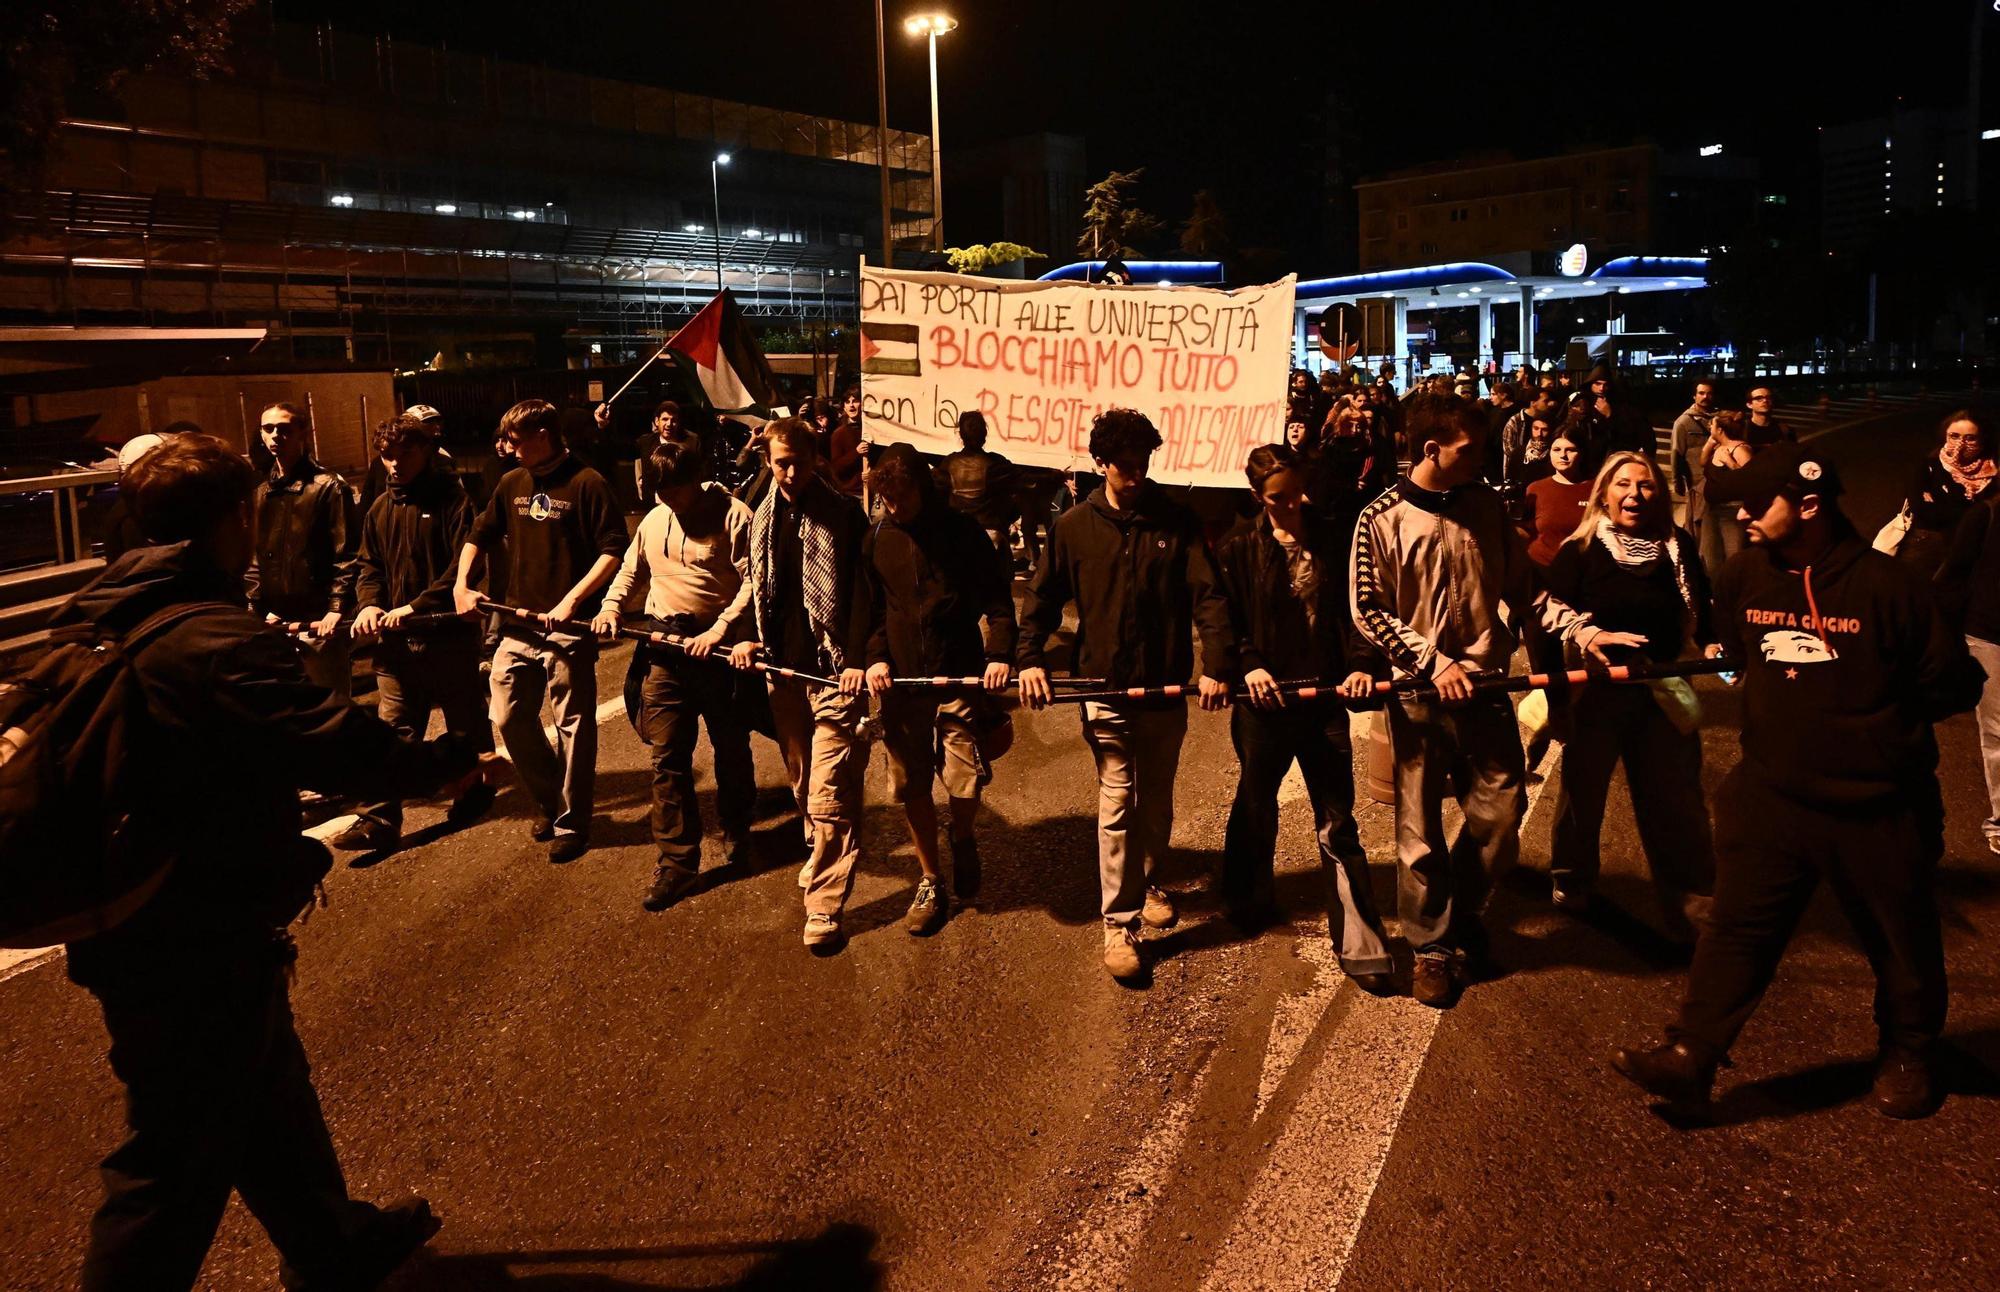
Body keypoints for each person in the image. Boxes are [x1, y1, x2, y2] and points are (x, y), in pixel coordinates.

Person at [55, 434, 494, 1292]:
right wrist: (446, 763)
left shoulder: (100, 611)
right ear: (231, 522)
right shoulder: (209, 639)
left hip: (134, 910)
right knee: (169, 1161)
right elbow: (330, 743)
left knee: (266, 1087)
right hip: (189, 931)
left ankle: (334, 1242)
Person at [1614, 441, 1983, 1120]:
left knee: (1900, 935)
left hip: (1877, 804)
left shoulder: (1888, 586)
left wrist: (1871, 719)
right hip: (1772, 796)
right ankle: (1692, 1053)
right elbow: (1733, 645)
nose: (1745, 518)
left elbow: (1956, 682)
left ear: (1810, 504)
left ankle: (1909, 1048)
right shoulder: (1745, 576)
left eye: (1758, 505)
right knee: (1737, 929)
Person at [1017, 408, 1233, 981]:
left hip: (1164, 689)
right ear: (1100, 464)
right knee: (1118, 802)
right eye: (1125, 467)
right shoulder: (1073, 529)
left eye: (1143, 465)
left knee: (1156, 803)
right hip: (1103, 687)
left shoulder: (1176, 521)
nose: (1136, 475)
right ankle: (1119, 925)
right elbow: (1039, 600)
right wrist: (1028, 658)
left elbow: (1208, 596)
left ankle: (1150, 877)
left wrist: (1216, 663)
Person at [1350, 394, 1535, 1008]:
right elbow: (1367, 611)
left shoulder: (1487, 507)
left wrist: (1586, 632)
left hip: (1486, 692)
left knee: (1502, 814)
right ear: (1432, 449)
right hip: (1418, 698)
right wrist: (1433, 661)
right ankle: (1431, 946)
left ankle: (1454, 911)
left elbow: (1524, 590)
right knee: (1419, 828)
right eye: (1469, 448)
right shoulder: (1377, 519)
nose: (1480, 458)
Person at [1215, 445, 1392, 992]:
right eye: (1278, 498)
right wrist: (1248, 666)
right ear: (1257, 498)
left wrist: (1362, 663)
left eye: (1296, 493)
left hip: (1324, 700)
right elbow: (1225, 618)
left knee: (1337, 815)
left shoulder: (1335, 535)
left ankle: (1359, 934)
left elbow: (1360, 609)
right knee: (1255, 800)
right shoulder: (1237, 546)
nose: (1292, 505)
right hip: (1264, 705)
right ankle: (1247, 897)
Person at [1534, 451, 1716, 939]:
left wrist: (1716, 641)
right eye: (1623, 485)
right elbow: (1547, 611)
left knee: (1677, 798)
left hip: (1662, 688)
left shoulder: (1677, 545)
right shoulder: (1584, 547)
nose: (1634, 494)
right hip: (1597, 692)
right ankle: (1571, 878)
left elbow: (1702, 601)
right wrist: (1583, 650)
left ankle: (1691, 899)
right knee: (1583, 793)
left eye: (1646, 485)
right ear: (1604, 494)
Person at [453, 399, 628, 863]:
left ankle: (572, 822)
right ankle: (552, 799)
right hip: (518, 624)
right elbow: (479, 533)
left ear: (543, 436)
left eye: (516, 439)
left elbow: (613, 549)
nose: (508, 449)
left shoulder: (587, 483)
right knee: (509, 717)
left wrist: (572, 601)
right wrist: (460, 585)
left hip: (569, 628)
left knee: (573, 726)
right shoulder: (512, 483)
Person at [594, 432, 757, 910]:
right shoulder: (655, 519)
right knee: (668, 759)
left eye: (674, 490)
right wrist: (611, 607)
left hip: (719, 651)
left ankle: (737, 828)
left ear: (696, 480)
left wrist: (723, 629)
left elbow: (754, 582)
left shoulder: (734, 516)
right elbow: (632, 570)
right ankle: (677, 863)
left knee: (730, 746)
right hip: (665, 650)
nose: (667, 499)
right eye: (659, 492)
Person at [862, 443, 1018, 933]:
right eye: (886, 502)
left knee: (964, 779)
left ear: (922, 489)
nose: (894, 509)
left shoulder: (963, 532)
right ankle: (930, 878)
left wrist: (999, 656)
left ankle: (964, 834)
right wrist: (874, 659)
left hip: (959, 673)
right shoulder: (878, 538)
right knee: (911, 783)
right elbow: (872, 610)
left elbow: (998, 600)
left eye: (902, 500)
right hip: (903, 685)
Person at [729, 418, 872, 949]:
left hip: (834, 669)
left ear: (815, 460)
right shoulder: (762, 514)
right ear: (768, 460)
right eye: (779, 462)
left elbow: (863, 596)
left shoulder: (842, 515)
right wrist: (746, 638)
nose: (788, 472)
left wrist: (856, 659)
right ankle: (818, 847)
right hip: (782, 670)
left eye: (797, 462)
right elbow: (757, 586)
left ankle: (825, 905)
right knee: (803, 779)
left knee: (830, 792)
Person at [334, 415, 496, 852]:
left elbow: (463, 570)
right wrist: (369, 603)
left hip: (447, 638)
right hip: (395, 645)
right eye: (386, 455)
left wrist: (416, 606)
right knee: (392, 731)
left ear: (425, 450)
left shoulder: (454, 501)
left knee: (464, 724)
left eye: (404, 453)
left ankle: (474, 791)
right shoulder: (379, 508)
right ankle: (379, 819)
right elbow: (370, 565)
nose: (394, 464)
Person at [245, 401, 358, 700]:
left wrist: (336, 607)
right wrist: (253, 606)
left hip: (318, 621)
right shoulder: (260, 492)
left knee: (330, 707)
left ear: (303, 433)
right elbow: (255, 558)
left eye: (284, 429)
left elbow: (346, 553)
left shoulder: (329, 487)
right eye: (268, 429)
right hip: (275, 622)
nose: (275, 436)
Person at [1936, 473, 2000, 858]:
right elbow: (1953, 576)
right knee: (1997, 729)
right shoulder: (1986, 514)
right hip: (1989, 634)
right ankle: (1999, 819)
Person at [1875, 409, 1998, 577]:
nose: (1960, 443)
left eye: (1970, 438)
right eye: (1954, 436)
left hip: (1974, 553)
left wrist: (1944, 507)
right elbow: (1922, 510)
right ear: (1945, 436)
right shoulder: (1927, 466)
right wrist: (1971, 514)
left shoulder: (1993, 471)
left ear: (1983, 440)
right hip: (1926, 550)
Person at [932, 410, 1021, 558]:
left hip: (957, 537)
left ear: (960, 434)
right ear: (984, 434)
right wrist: (1055, 476)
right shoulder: (997, 465)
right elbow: (1023, 481)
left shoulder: (947, 465)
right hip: (991, 537)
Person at [1519, 429, 1592, 567]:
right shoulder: (1535, 488)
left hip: (1581, 570)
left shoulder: (1595, 489)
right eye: (1557, 449)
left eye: (1570, 450)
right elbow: (1525, 531)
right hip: (1540, 568)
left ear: (1582, 453)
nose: (1563, 455)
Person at [1669, 377, 1719, 533]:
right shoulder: (1683, 422)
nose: (1705, 397)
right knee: (1697, 522)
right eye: (1701, 393)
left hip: (1717, 479)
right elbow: (1676, 452)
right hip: (1696, 481)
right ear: (1694, 396)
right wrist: (1677, 481)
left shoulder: (1720, 419)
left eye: (1709, 394)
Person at [825, 388, 868, 498]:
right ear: (844, 407)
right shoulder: (838, 434)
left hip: (872, 489)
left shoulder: (870, 431)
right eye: (847, 402)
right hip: (852, 493)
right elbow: (836, 468)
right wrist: (856, 452)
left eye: (855, 401)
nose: (851, 405)